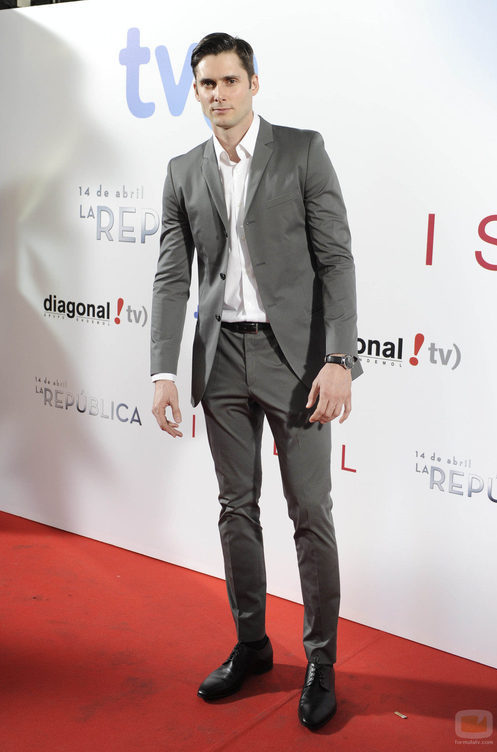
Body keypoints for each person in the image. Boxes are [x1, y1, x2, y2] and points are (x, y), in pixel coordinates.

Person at [151, 32, 362, 730]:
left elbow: (336, 261)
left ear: (254, 83)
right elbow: (172, 277)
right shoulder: (183, 170)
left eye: (230, 81)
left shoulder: (302, 151)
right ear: (197, 91)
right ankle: (252, 644)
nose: (218, 94)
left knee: (311, 514)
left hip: (295, 361)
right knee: (235, 507)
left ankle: (322, 663)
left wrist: (339, 359)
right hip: (220, 360)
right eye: (206, 84)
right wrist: (163, 369)